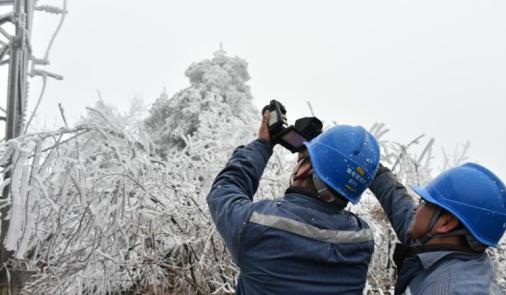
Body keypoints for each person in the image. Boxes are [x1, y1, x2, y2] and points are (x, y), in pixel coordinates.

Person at [207, 111, 381, 294]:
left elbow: (225, 189)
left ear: (304, 170)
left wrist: (262, 145)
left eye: (302, 161)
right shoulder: (361, 239)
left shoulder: (258, 223)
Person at [370, 162, 506, 295]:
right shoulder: (458, 254)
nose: (417, 208)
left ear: (447, 224)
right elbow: (401, 207)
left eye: (424, 203)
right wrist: (374, 169)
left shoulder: (446, 289)